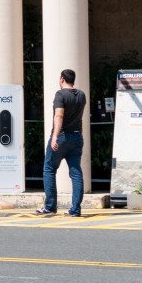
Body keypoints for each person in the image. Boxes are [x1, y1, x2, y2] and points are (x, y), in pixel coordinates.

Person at [36, 68, 86, 217]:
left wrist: (55, 137)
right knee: (76, 172)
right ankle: (75, 209)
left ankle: (50, 206)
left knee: (49, 169)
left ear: (62, 79)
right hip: (77, 137)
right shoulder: (82, 95)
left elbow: (59, 116)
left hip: (62, 137)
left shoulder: (60, 94)